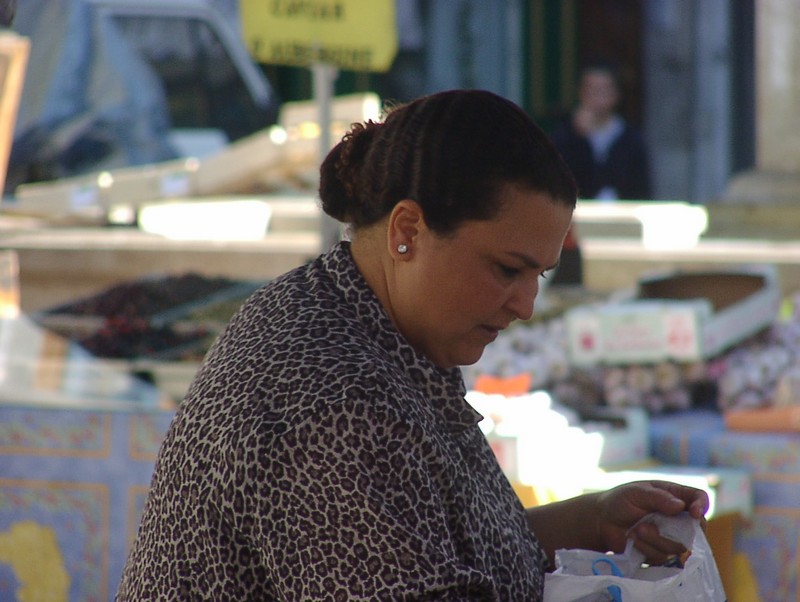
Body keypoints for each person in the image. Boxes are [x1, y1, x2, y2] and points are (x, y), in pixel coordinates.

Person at [116, 89, 708, 601]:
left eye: (539, 276)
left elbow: (433, 550)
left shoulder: (359, 318)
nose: (525, 305)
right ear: (407, 232)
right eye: (507, 269)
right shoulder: (336, 405)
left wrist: (592, 520)